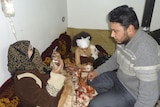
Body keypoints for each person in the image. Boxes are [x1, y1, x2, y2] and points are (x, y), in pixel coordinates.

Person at [87, 5, 160, 107]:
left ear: (130, 29)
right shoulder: (123, 39)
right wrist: (96, 71)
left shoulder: (145, 51)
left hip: (133, 93)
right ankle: (113, 97)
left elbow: (149, 96)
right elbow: (115, 60)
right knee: (91, 80)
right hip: (120, 79)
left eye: (115, 31)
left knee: (94, 104)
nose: (112, 35)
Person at [7, 40, 65, 107]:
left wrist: (57, 62)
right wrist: (55, 76)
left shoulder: (32, 67)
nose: (35, 50)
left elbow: (46, 73)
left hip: (59, 96)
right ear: (22, 57)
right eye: (30, 49)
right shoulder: (23, 81)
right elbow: (44, 102)